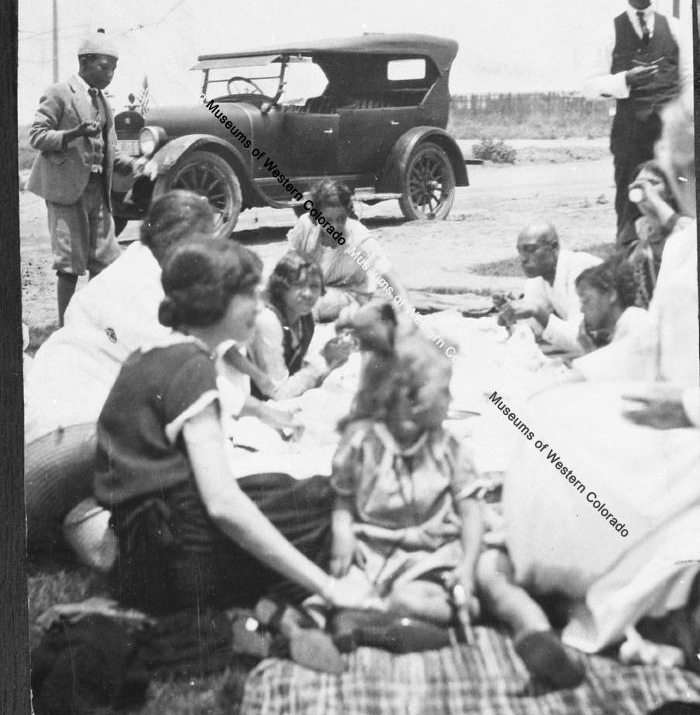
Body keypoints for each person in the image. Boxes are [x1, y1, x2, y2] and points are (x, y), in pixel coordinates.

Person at [497, 94, 700, 660]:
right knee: (551, 427)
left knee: (605, 483)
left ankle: (647, 603)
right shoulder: (685, 241)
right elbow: (650, 342)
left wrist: (686, 407)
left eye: (679, 168)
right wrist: (581, 378)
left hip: (690, 423)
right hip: (666, 408)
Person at [94, 237, 366, 617]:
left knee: (288, 489)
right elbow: (223, 505)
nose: (258, 305)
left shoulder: (148, 355)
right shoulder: (192, 370)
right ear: (214, 299)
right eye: (249, 295)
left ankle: (279, 602)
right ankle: (309, 598)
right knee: (323, 504)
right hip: (178, 562)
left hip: (136, 556)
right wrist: (326, 586)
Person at [24, 190, 218, 557]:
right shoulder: (149, 294)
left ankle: (87, 523)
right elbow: (186, 381)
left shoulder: (126, 271)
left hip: (41, 434)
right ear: (178, 242)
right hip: (70, 441)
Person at [329, 332, 484, 628]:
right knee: (338, 589)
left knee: (411, 599)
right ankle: (384, 618)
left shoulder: (448, 448)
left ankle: (390, 616)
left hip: (432, 556)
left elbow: (471, 511)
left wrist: (467, 565)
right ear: (408, 397)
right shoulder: (362, 441)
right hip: (374, 553)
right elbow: (343, 495)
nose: (450, 399)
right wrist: (342, 533)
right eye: (444, 392)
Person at [27, 28, 136, 326]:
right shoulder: (60, 92)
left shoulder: (103, 102)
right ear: (84, 63)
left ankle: (96, 324)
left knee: (104, 259)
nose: (110, 73)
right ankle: (66, 329)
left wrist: (128, 163)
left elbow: (109, 146)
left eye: (114, 68)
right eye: (104, 66)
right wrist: (74, 133)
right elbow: (36, 136)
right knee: (69, 264)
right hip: (65, 190)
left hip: (97, 192)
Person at [583, 0, 684, 243]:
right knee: (630, 204)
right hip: (630, 137)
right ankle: (629, 267)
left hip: (670, 138)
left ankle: (672, 271)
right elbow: (590, 86)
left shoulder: (676, 29)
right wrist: (625, 79)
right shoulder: (608, 32)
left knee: (676, 204)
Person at [286, 177, 410, 322]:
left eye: (341, 218)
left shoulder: (357, 234)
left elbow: (385, 269)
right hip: (313, 288)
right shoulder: (305, 226)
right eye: (327, 220)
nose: (336, 226)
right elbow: (288, 264)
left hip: (350, 292)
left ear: (348, 212)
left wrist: (406, 308)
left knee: (307, 305)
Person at [247, 251, 354, 400]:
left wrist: (330, 351)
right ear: (281, 288)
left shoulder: (304, 316)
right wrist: (324, 359)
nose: (308, 294)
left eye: (314, 286)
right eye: (298, 285)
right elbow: (278, 393)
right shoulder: (268, 320)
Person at [495, 222, 600, 353]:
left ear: (553, 247)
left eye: (531, 250)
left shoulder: (582, 269)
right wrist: (509, 317)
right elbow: (532, 330)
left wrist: (538, 312)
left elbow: (582, 342)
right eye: (520, 251)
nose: (522, 258)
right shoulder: (539, 276)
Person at [620, 160, 692, 309]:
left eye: (653, 183)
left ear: (671, 190)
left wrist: (655, 200)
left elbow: (688, 237)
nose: (645, 189)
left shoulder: (688, 224)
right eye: (639, 184)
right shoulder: (634, 233)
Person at [573, 258, 647, 355]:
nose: (582, 310)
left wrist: (589, 348)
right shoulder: (619, 329)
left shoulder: (633, 324)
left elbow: (612, 368)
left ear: (611, 294)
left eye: (586, 301)